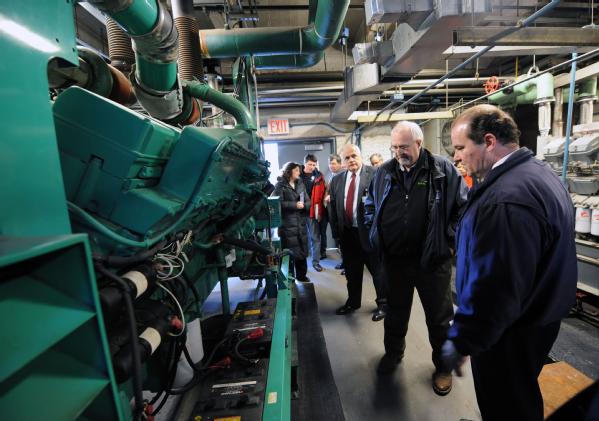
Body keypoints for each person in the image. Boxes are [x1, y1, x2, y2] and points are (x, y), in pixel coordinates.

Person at [442, 104, 577, 421]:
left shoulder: (506, 198)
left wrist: (463, 340)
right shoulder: (539, 173)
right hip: (536, 318)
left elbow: (496, 287)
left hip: (508, 331)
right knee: (520, 396)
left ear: (488, 141)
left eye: (461, 148)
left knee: (505, 405)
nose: (457, 157)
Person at [363, 121, 468, 395]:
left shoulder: (442, 170)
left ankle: (443, 367)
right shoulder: (384, 172)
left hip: (433, 261)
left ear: (419, 144)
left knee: (439, 319)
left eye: (404, 147)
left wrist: (449, 241)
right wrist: (374, 229)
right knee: (395, 314)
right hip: (396, 261)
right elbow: (369, 203)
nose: (399, 152)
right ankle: (394, 354)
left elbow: (463, 208)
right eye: (395, 147)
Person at [329, 144, 387, 322]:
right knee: (352, 273)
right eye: (347, 158)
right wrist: (337, 234)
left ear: (360, 156)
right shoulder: (337, 180)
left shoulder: (376, 174)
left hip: (369, 234)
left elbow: (385, 204)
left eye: (354, 156)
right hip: (347, 234)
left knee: (377, 271)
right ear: (343, 162)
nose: (351, 160)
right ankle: (353, 302)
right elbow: (333, 208)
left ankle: (384, 304)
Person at [273, 162, 311, 283]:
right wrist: (294, 205)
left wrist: (305, 205)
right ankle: (290, 278)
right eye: (296, 171)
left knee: (301, 250)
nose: (299, 173)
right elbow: (277, 203)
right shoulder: (280, 186)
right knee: (288, 253)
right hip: (287, 224)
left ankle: (302, 276)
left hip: (300, 222)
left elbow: (308, 200)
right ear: (289, 172)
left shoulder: (300, 184)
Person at [301, 154, 326, 272]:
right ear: (305, 163)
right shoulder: (296, 175)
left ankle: (316, 262)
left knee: (315, 238)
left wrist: (320, 211)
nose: (312, 167)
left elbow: (322, 195)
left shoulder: (319, 176)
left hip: (312, 212)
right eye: (310, 164)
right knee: (300, 238)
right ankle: (300, 264)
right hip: (299, 212)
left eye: (314, 165)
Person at [324, 154, 344, 272]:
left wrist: (331, 196)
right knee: (339, 240)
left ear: (340, 164)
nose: (331, 166)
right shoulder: (332, 176)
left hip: (341, 214)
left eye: (334, 163)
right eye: (330, 163)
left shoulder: (342, 175)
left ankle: (348, 265)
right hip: (334, 214)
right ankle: (344, 261)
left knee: (344, 241)